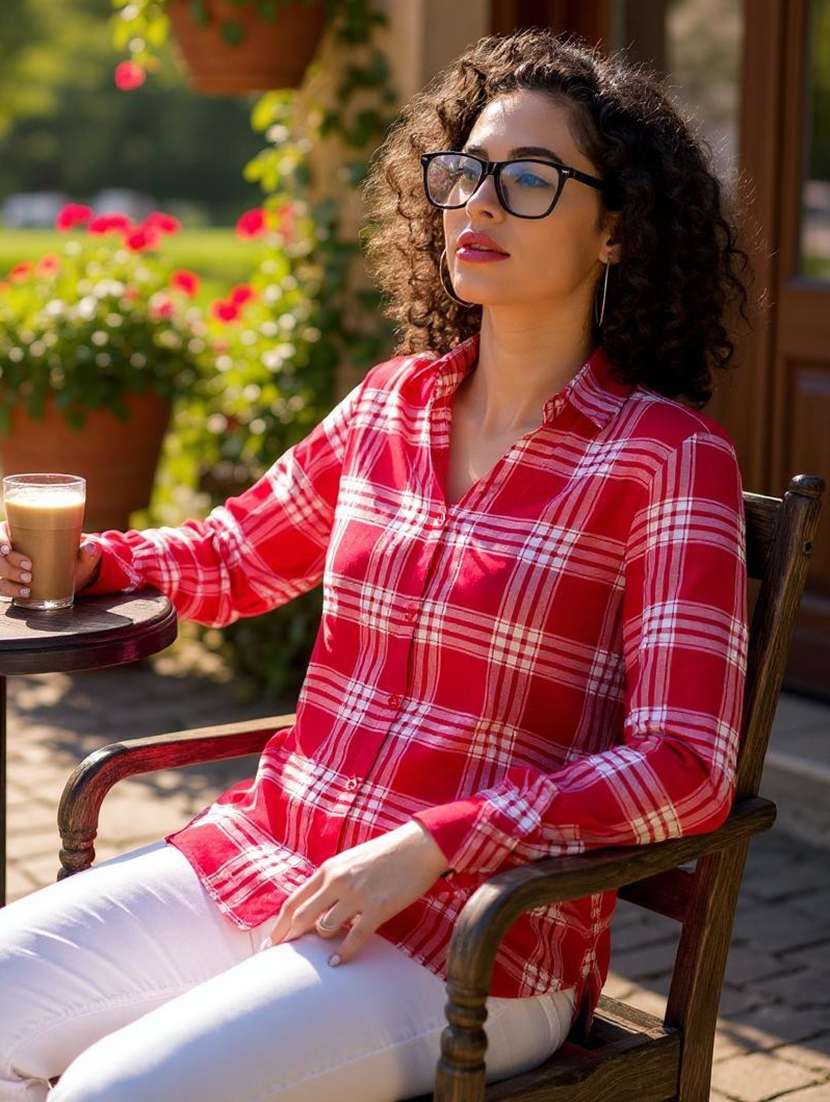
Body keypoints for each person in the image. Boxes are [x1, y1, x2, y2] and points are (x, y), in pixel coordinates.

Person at [0, 26, 757, 1102]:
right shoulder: (389, 406)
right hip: (271, 854)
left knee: (105, 1094)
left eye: (530, 178)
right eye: (464, 172)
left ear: (617, 234)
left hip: (477, 944)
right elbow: (232, 556)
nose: (479, 202)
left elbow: (684, 766)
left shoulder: (665, 461)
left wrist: (435, 844)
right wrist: (91, 560)